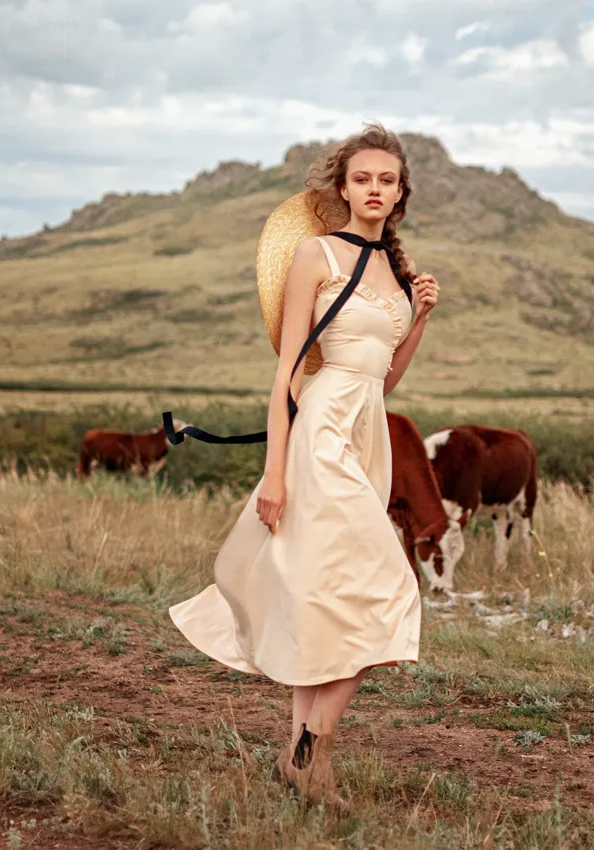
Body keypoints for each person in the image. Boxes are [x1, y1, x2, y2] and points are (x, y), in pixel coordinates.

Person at [168, 123, 440, 809]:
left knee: (323, 600)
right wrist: (275, 473)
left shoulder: (400, 275)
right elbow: (288, 371)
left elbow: (383, 384)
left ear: (401, 192)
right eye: (362, 179)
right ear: (342, 188)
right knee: (393, 589)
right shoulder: (315, 255)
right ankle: (308, 748)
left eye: (387, 179)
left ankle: (305, 766)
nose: (374, 188)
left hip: (364, 432)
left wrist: (422, 321)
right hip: (318, 434)